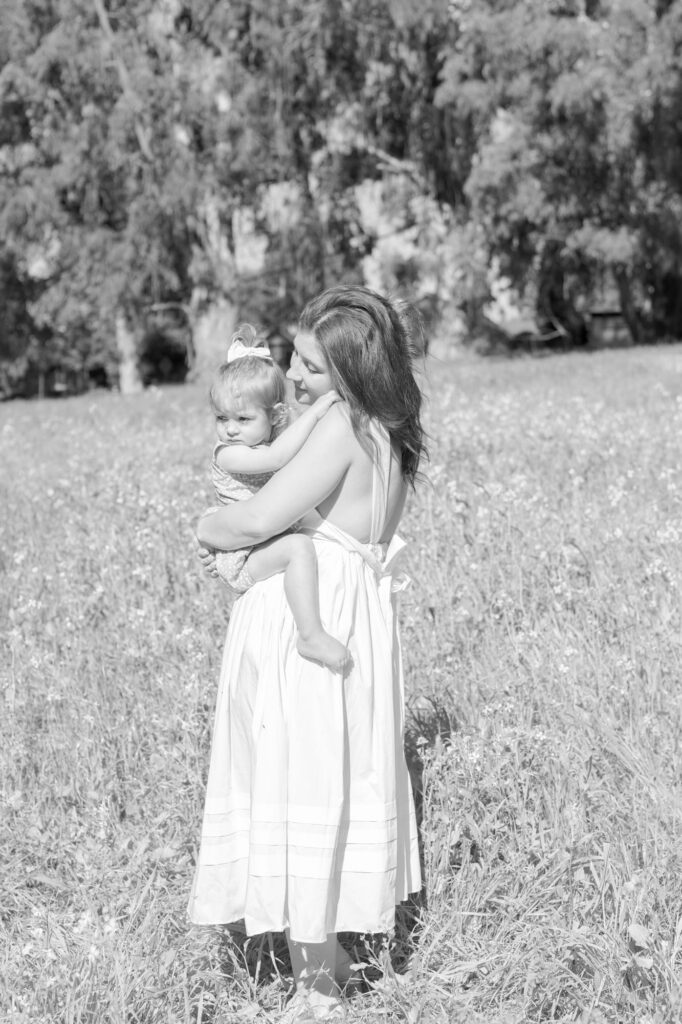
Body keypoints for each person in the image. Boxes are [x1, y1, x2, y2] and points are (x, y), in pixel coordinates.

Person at [189, 286, 427, 1022]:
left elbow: (258, 517)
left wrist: (208, 522)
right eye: (298, 359)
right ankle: (330, 960)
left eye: (314, 369)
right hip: (350, 613)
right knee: (333, 774)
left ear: (354, 375)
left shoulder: (343, 429)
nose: (293, 377)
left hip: (310, 619)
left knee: (300, 775)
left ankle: (316, 985)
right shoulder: (390, 435)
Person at [208, 325, 349, 672]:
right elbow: (276, 460)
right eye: (222, 418)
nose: (230, 428)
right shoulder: (229, 453)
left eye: (243, 418)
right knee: (299, 548)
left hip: (260, 541)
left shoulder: (270, 438)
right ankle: (311, 634)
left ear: (274, 416)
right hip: (243, 556)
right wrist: (317, 411)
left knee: (300, 544)